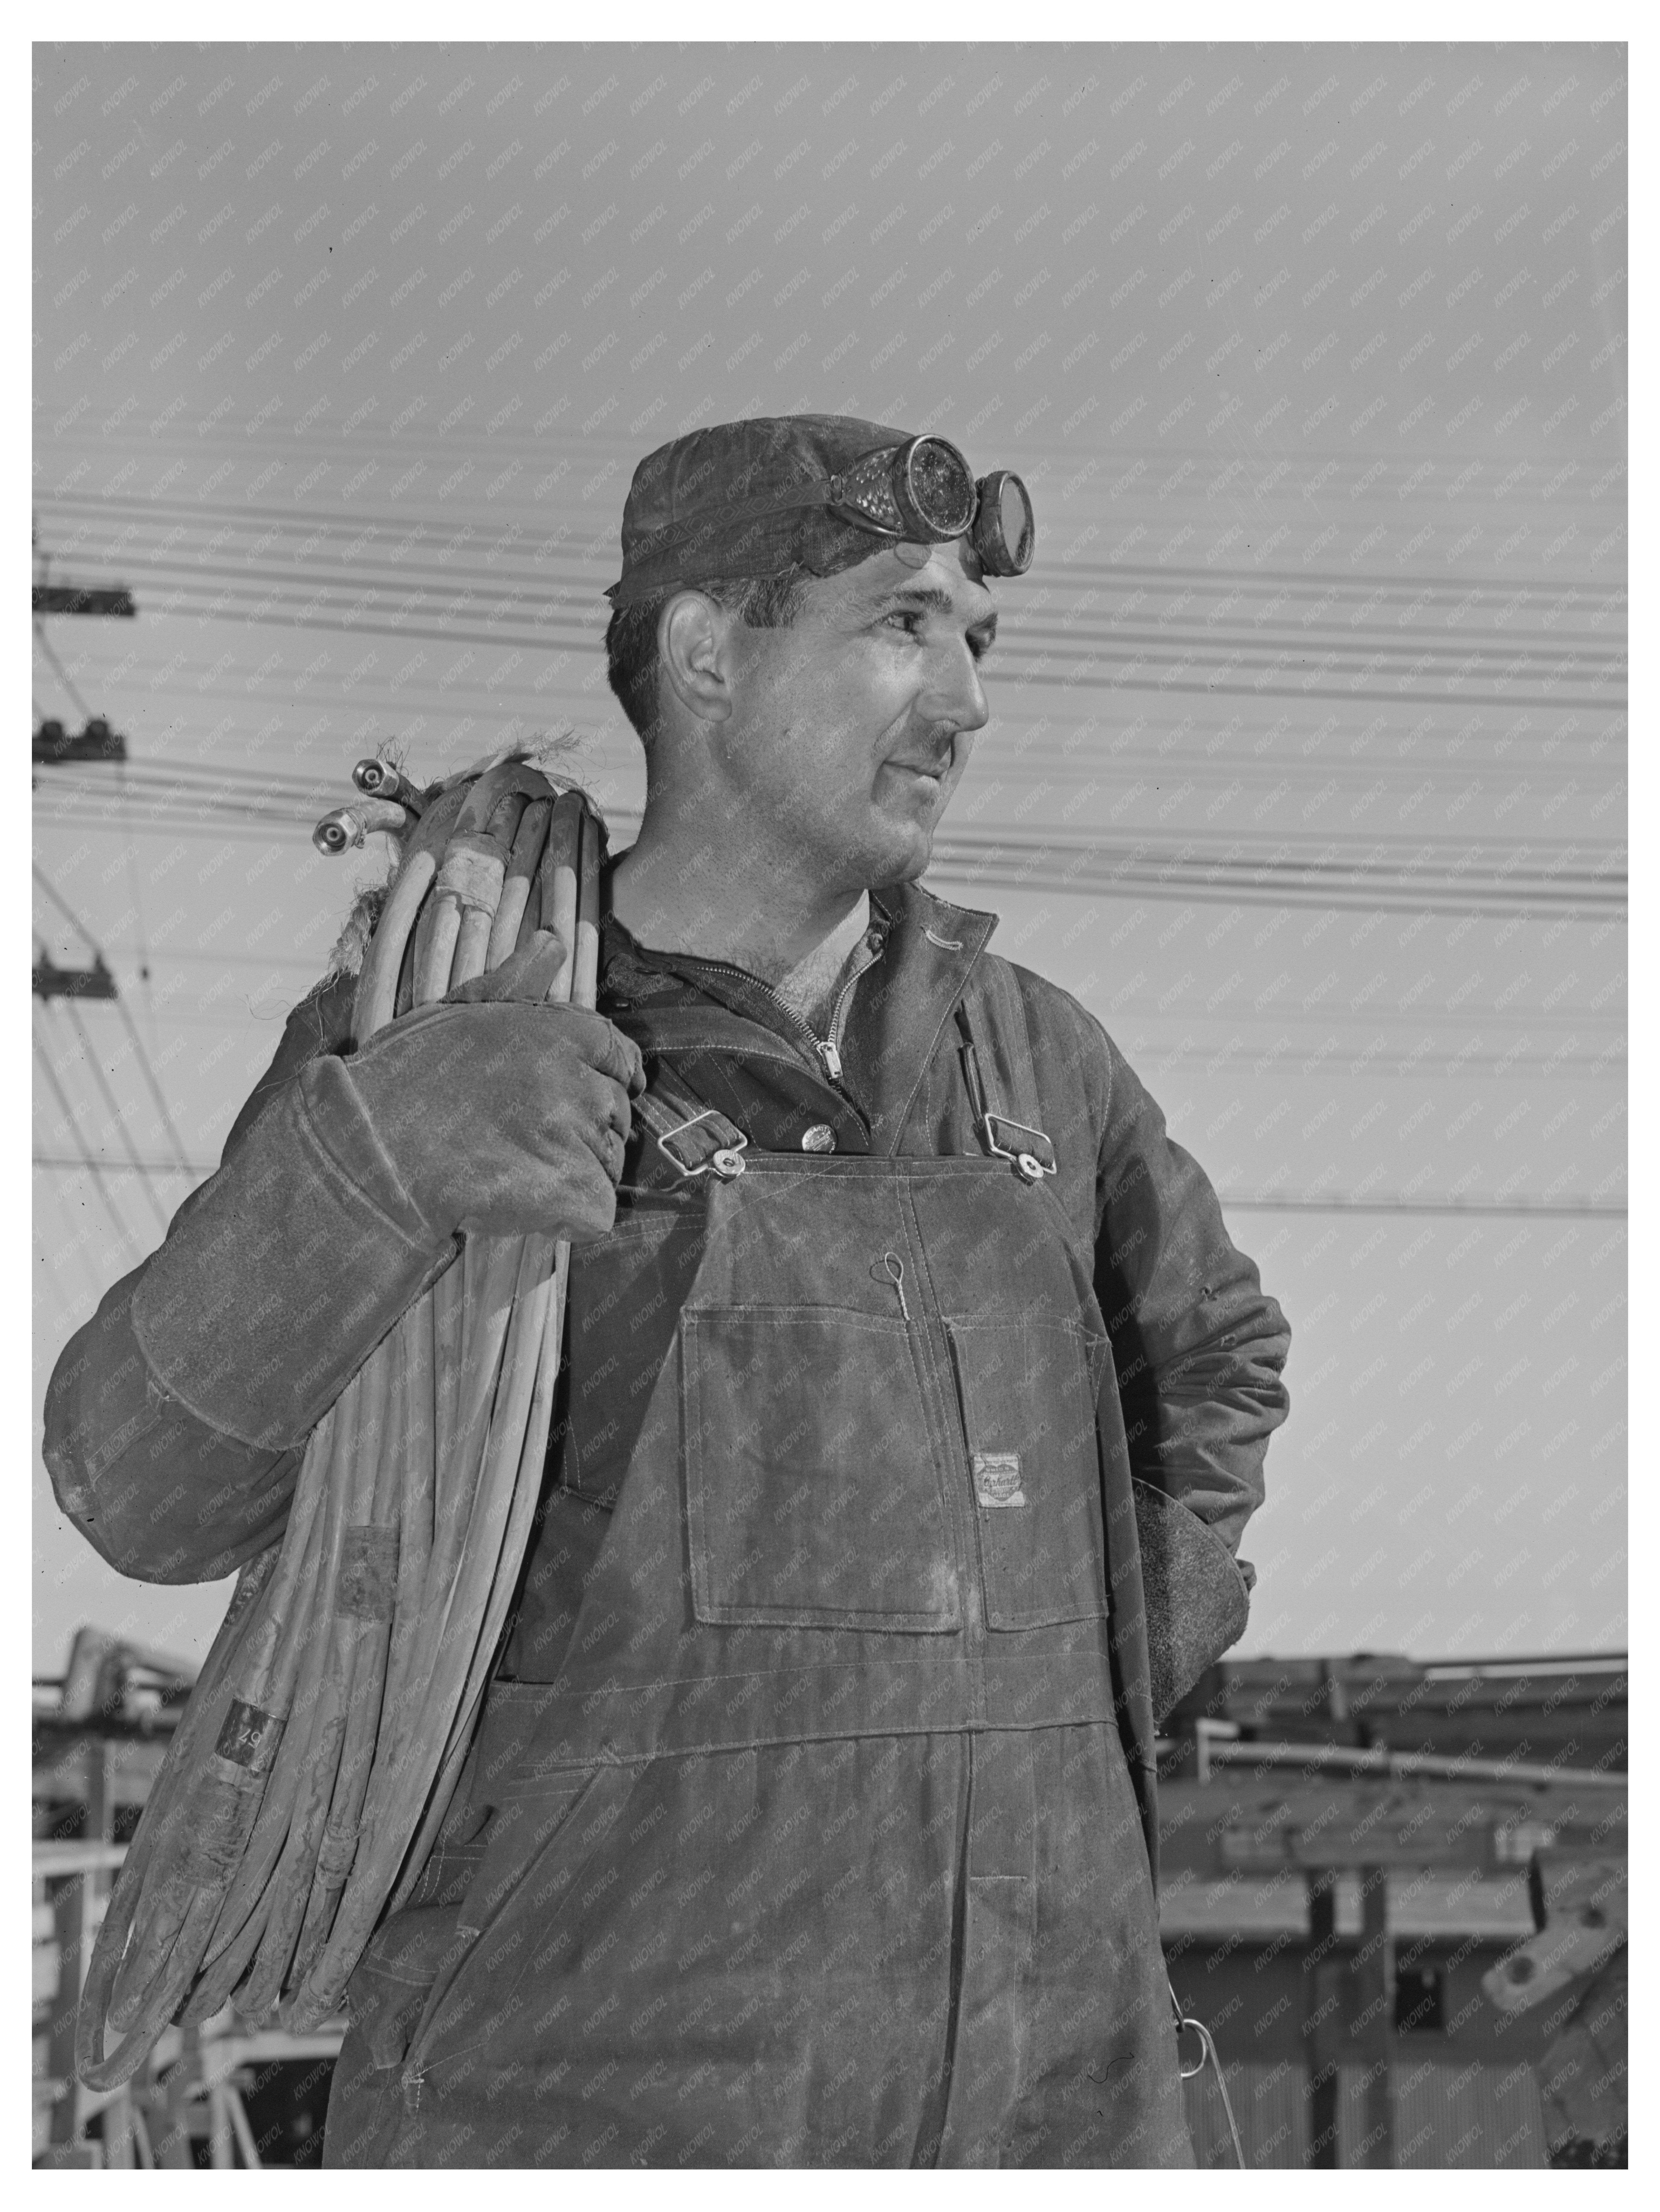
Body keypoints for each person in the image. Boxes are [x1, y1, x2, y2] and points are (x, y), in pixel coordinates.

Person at [45, 414, 1292, 2168]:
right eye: (901, 626)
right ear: (708, 651)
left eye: (976, 638)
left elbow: (1216, 1359)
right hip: (597, 2116)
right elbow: (136, 1481)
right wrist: (374, 1165)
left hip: (1047, 2113)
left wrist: (1083, 1699)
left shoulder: (1035, 1067)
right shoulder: (450, 1038)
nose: (968, 701)